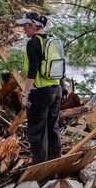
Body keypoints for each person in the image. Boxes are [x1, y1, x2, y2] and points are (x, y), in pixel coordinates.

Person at [16, 11, 63, 162]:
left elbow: (33, 70)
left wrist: (26, 93)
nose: (23, 30)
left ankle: (40, 164)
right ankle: (55, 160)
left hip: (40, 93)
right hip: (56, 90)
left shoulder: (33, 43)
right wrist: (63, 85)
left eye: (25, 26)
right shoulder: (53, 39)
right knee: (52, 126)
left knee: (37, 130)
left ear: (32, 25)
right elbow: (60, 65)